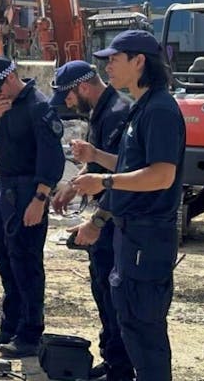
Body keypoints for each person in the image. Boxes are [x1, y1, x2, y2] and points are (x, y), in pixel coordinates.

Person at [69, 30, 184, 381]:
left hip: (147, 240)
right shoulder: (143, 107)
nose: (107, 68)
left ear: (139, 62)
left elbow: (161, 175)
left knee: (145, 333)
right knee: (131, 324)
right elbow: (131, 165)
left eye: (114, 60)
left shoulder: (161, 110)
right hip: (130, 236)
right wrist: (97, 158)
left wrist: (103, 181)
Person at [50, 61, 134, 381]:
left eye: (68, 97)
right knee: (102, 292)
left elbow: (121, 177)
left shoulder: (117, 113)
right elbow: (98, 168)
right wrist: (71, 188)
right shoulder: (101, 113)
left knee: (115, 300)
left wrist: (96, 224)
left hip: (118, 222)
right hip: (108, 219)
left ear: (83, 88)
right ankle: (114, 362)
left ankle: (122, 370)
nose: (68, 103)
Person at [0, 56, 64, 359]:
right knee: (5, 260)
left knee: (26, 264)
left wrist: (40, 199)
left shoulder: (38, 106)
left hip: (28, 191)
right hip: (5, 191)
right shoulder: (3, 106)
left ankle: (29, 333)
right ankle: (10, 325)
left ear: (11, 78)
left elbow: (52, 158)